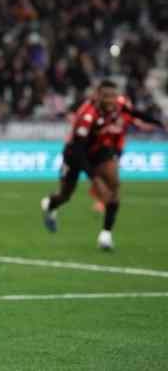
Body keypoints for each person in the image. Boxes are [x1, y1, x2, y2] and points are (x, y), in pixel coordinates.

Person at [41, 80, 166, 250]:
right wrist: (95, 179)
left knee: (114, 183)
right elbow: (78, 150)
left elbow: (135, 113)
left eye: (113, 96)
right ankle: (49, 205)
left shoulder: (119, 104)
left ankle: (105, 235)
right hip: (75, 154)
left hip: (99, 149)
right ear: (98, 96)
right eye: (106, 96)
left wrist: (160, 123)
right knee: (65, 195)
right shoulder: (88, 114)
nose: (110, 100)